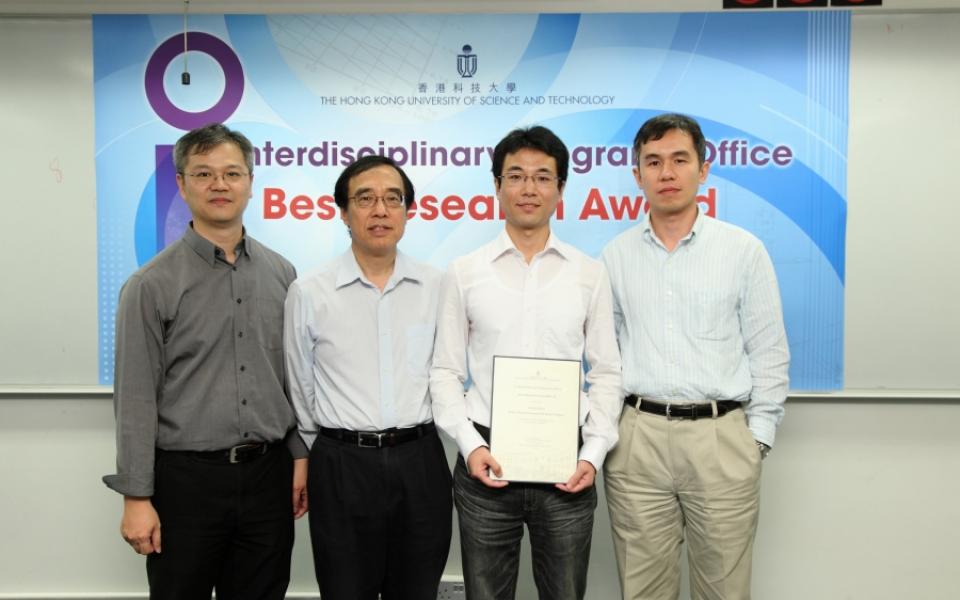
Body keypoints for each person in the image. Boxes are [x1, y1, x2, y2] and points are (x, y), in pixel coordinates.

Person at [103, 123, 308, 600]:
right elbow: (134, 398)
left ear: (251, 183)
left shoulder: (283, 274)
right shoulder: (150, 285)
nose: (220, 184)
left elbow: (293, 378)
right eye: (204, 173)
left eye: (232, 173)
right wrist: (137, 497)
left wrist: (299, 454)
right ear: (181, 184)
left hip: (267, 477)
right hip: (185, 484)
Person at [601, 112, 790, 600]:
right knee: (642, 591)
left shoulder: (743, 251)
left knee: (724, 590)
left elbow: (769, 350)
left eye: (680, 160)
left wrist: (756, 441)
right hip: (637, 440)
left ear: (703, 169)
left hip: (720, 439)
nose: (667, 173)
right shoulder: (615, 256)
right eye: (654, 162)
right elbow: (605, 358)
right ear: (636, 173)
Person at [430, 125, 622, 600]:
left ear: (560, 189)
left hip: (567, 467)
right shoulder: (466, 272)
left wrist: (591, 455)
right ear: (496, 186)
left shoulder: (589, 273)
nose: (528, 188)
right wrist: (471, 447)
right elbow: (445, 372)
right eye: (515, 176)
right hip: (485, 466)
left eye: (542, 177)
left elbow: (607, 373)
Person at [284, 155, 452, 600]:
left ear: (408, 211)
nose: (380, 210)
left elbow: (449, 370)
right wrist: (310, 454)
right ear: (343, 212)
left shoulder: (437, 286)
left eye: (392, 199)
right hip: (341, 464)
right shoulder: (309, 291)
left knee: (417, 591)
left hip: (420, 462)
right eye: (365, 199)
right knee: (345, 591)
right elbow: (299, 383)